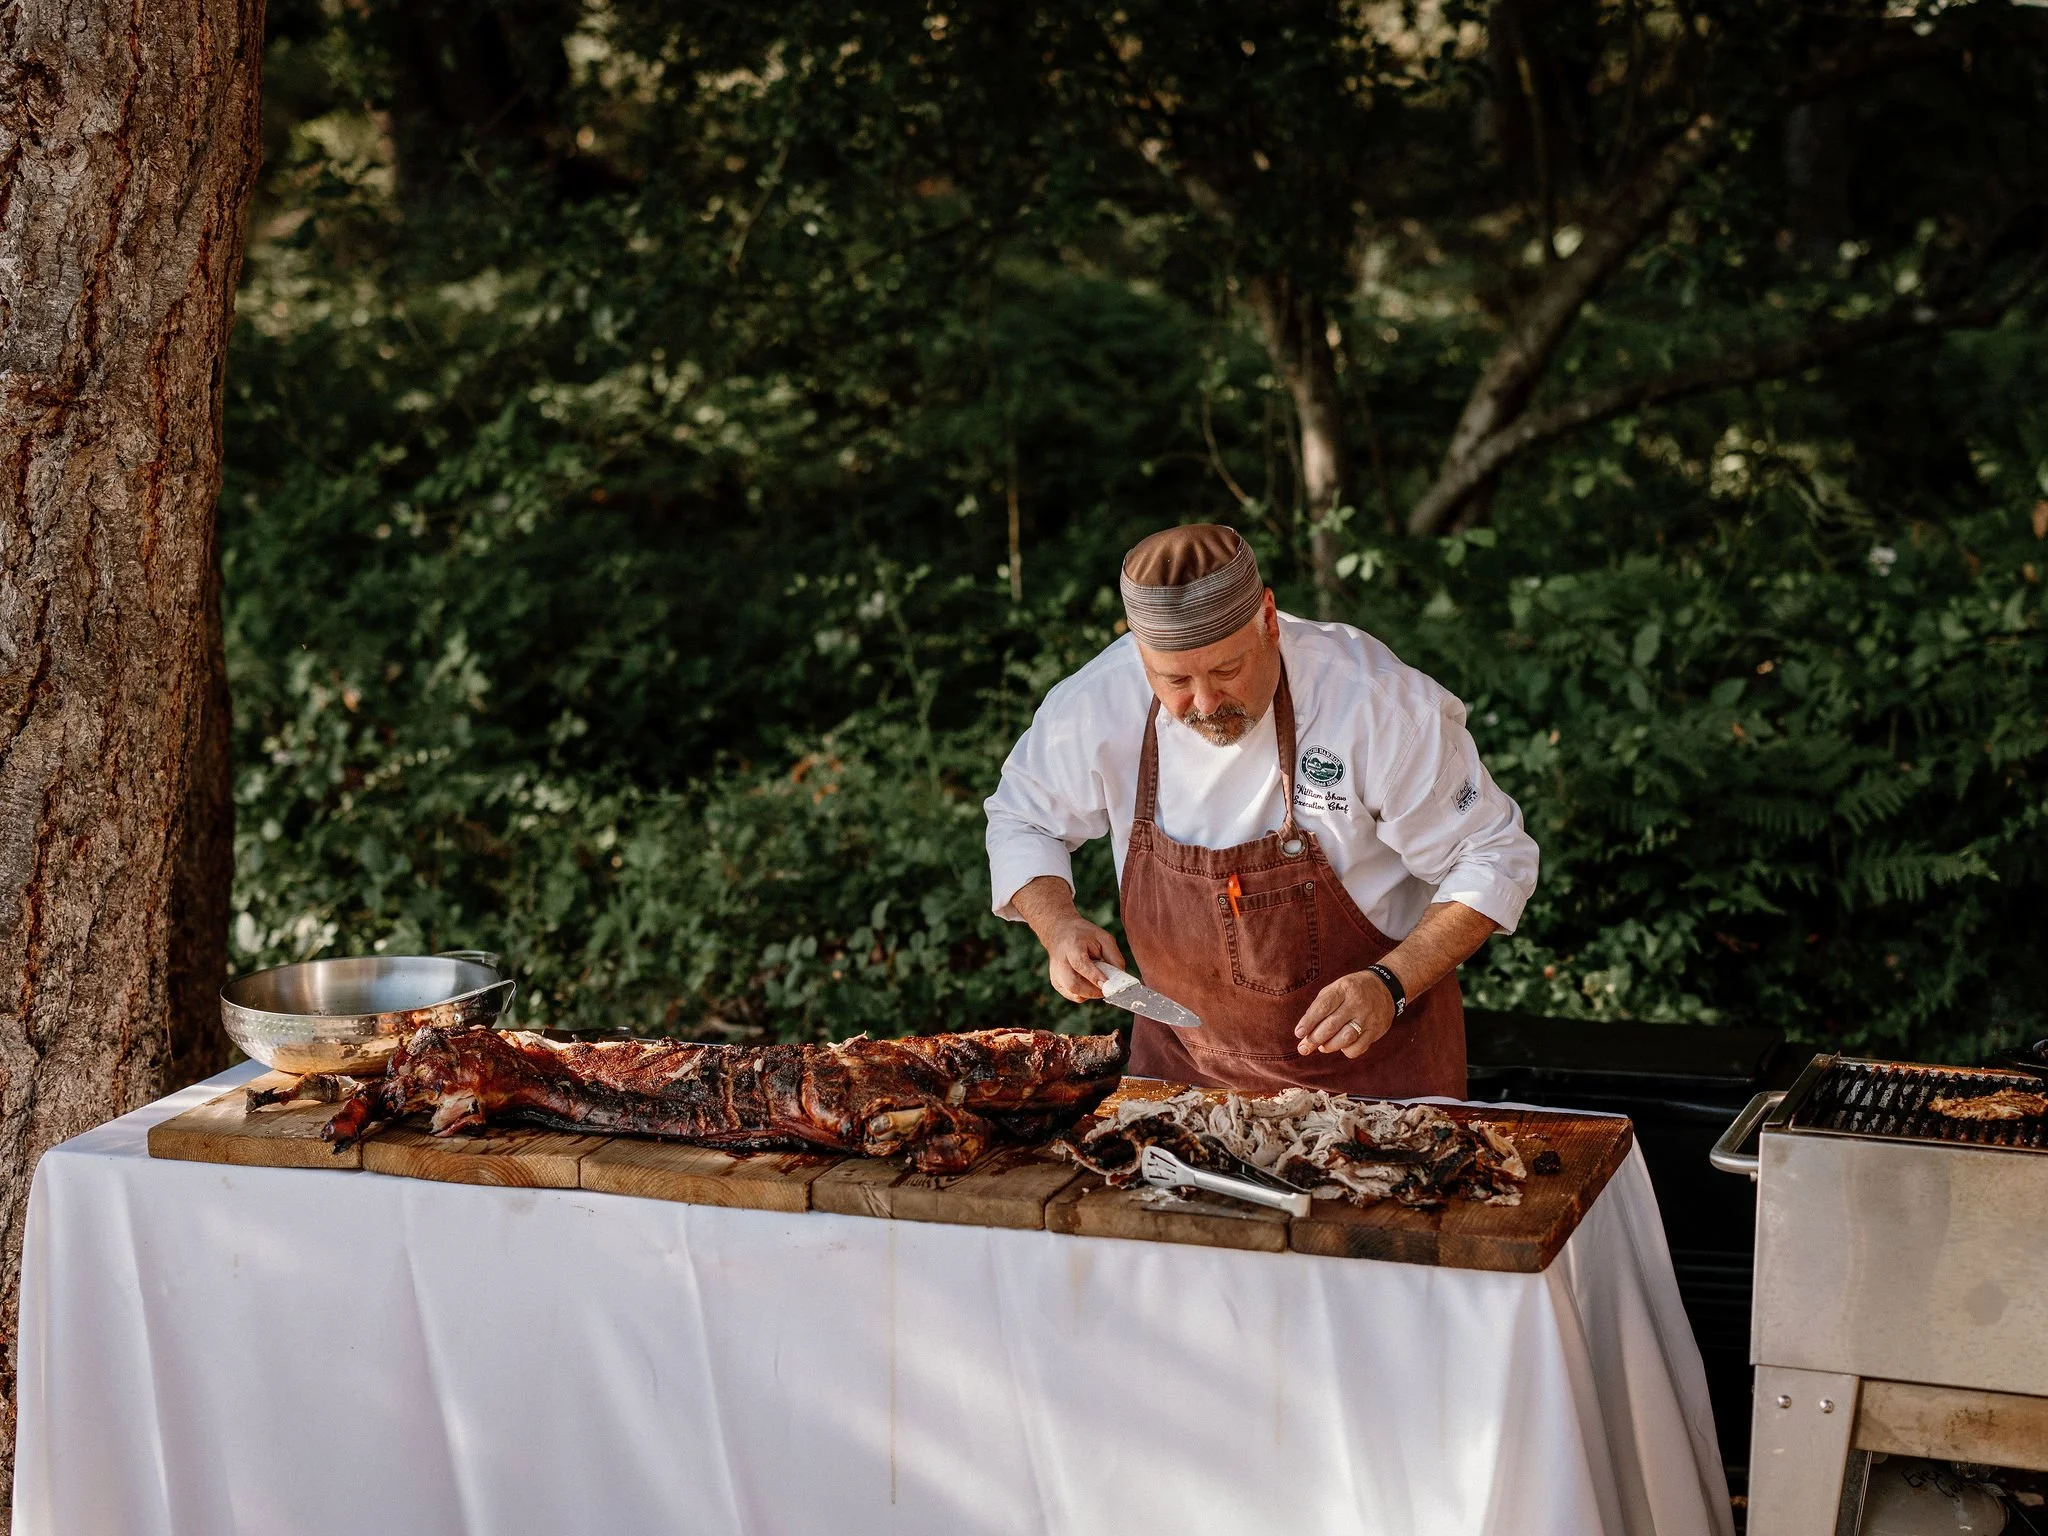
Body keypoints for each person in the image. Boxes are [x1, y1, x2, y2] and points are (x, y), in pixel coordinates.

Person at [983, 524, 1539, 1097]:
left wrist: (1390, 983)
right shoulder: (1097, 701)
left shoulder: (1375, 704)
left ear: (1268, 619)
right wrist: (1058, 925)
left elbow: (1491, 856)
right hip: (1180, 1078)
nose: (1203, 704)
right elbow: (1023, 816)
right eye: (1174, 679)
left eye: (1226, 671)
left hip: (1375, 1076)